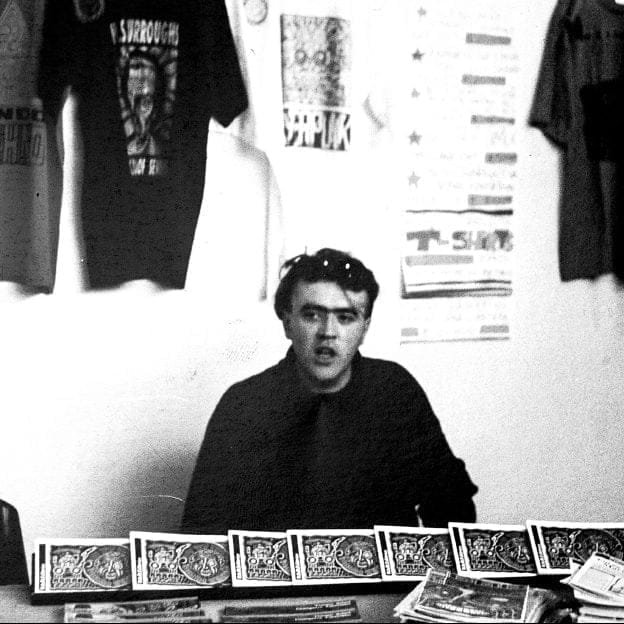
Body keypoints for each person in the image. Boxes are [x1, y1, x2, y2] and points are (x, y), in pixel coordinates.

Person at [182, 248, 477, 532]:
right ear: (288, 323)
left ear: (364, 328)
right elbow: (203, 530)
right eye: (312, 315)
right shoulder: (244, 405)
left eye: (345, 317)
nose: (328, 332)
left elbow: (452, 504)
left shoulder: (396, 392)